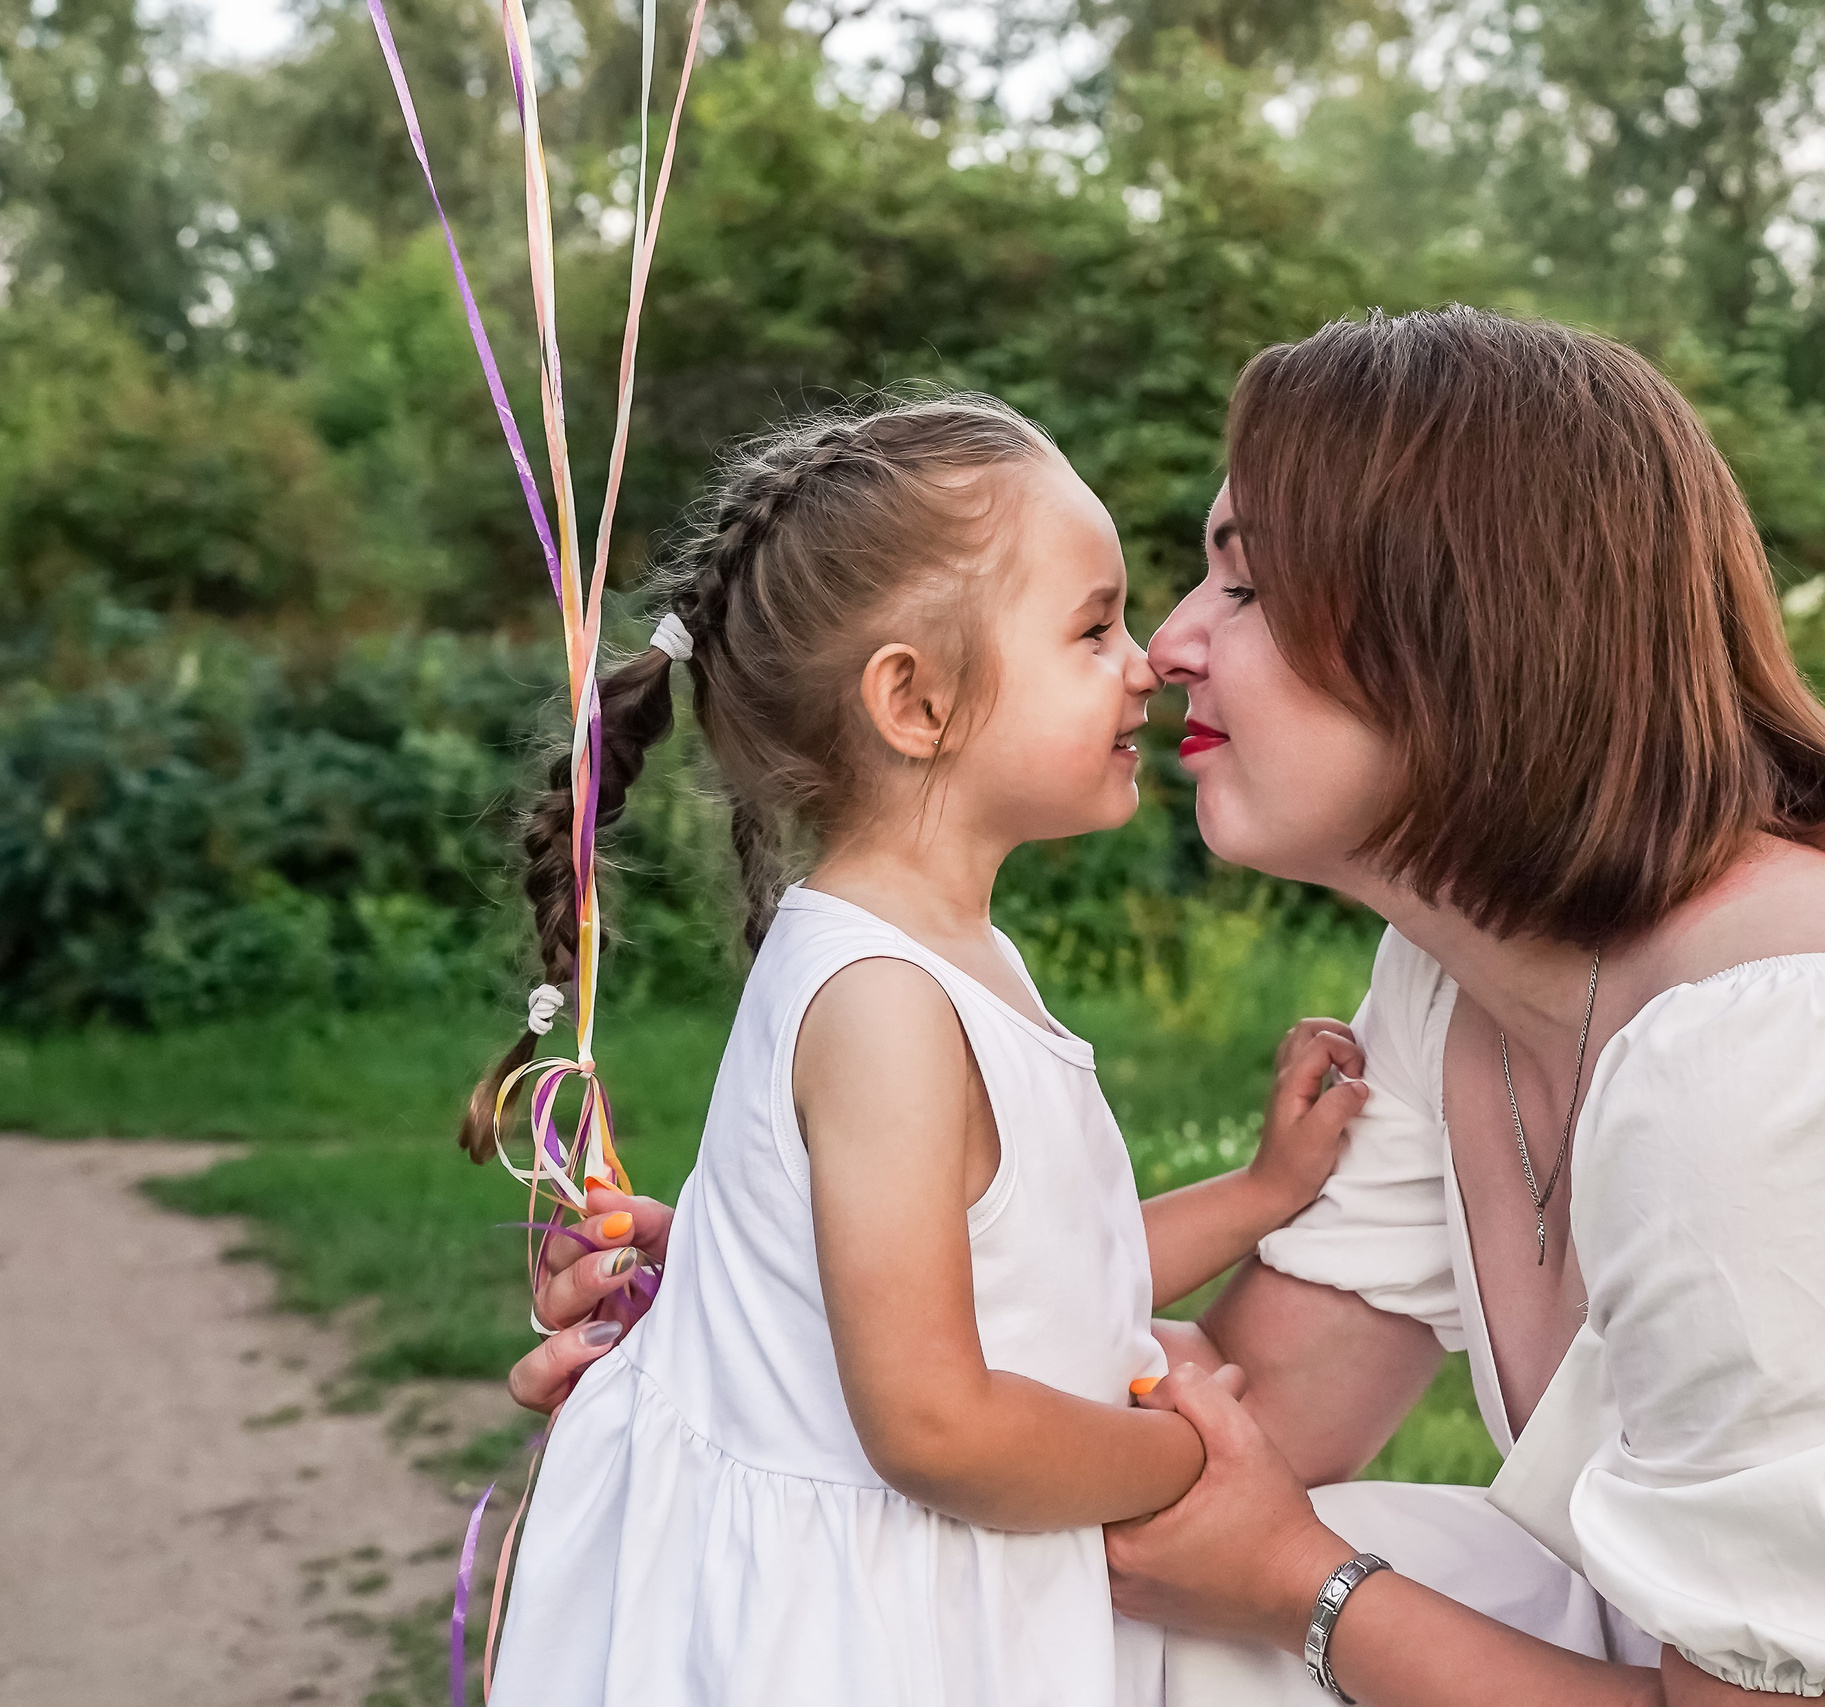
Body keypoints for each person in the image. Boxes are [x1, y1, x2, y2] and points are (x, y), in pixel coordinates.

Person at [521, 313, 1825, 1706]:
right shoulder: (1459, 969)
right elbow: (1241, 1415)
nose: (1176, 645)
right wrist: (787, 1327)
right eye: (1167, 587)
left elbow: (1263, 1521)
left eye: (1242, 586)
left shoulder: (1809, 1065)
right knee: (1075, 1625)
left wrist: (1312, 1586)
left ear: (1461, 645)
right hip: (1729, 1662)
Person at [478, 394, 1371, 1707]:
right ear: (915, 700)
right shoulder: (886, 1005)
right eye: (1093, 626)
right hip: (859, 1636)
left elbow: (1040, 1261)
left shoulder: (945, 954)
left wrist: (1257, 1195)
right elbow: (934, 1427)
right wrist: (1193, 1463)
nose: (1147, 661)